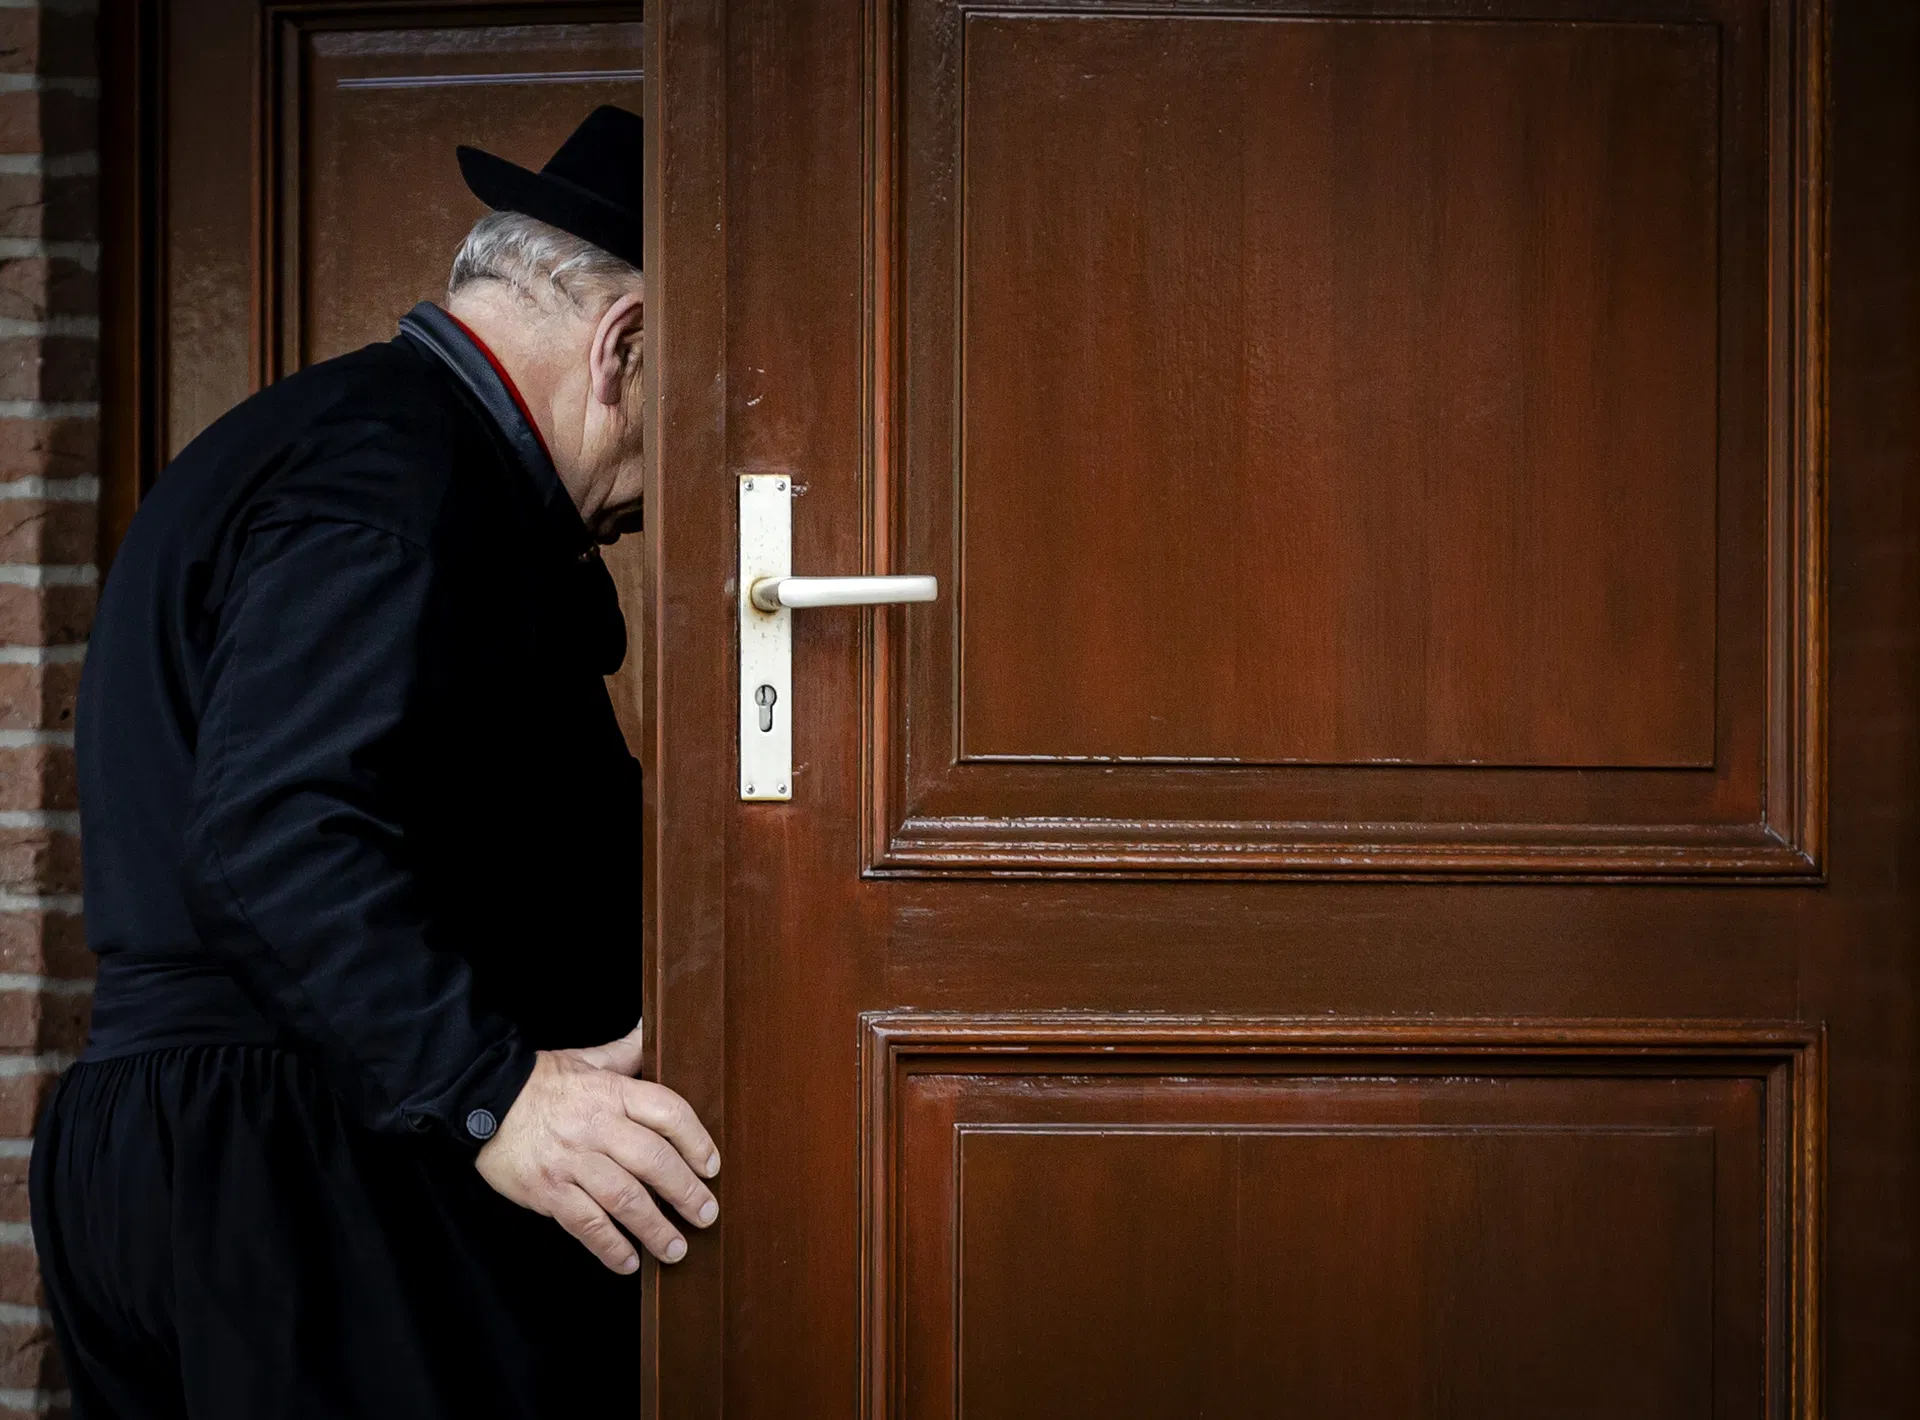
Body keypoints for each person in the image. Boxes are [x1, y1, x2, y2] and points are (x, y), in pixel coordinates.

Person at [27, 106, 714, 1417]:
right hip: (288, 1176)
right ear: (624, 350)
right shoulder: (399, 478)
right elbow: (273, 827)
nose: (664, 491)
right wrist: (488, 1094)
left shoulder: (340, 442)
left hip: (219, 1154)